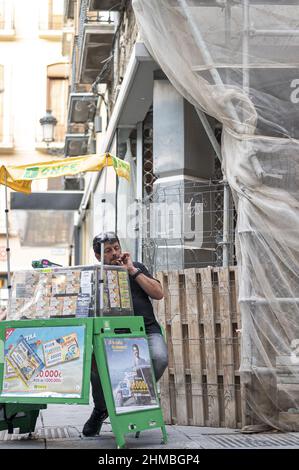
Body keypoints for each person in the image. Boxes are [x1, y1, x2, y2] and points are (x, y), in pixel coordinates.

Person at [82, 231, 168, 437]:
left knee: (159, 357)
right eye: (108, 251)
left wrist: (132, 271)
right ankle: (101, 409)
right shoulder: (95, 275)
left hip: (146, 331)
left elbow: (158, 293)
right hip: (111, 336)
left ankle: (133, 396)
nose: (114, 253)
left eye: (117, 248)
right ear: (98, 256)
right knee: (95, 366)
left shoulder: (136, 267)